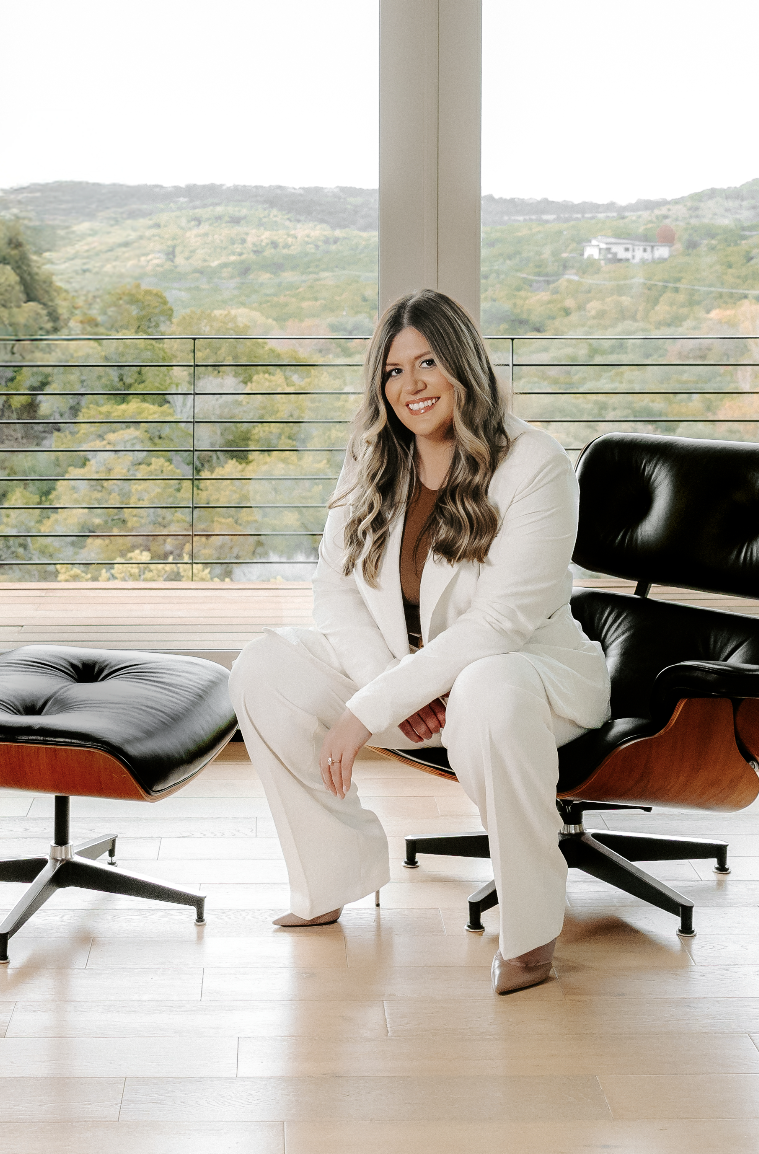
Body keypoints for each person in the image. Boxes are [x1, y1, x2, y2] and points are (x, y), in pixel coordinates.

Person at [228, 289, 611, 995]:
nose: (411, 386)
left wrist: (370, 709)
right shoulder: (373, 457)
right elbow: (334, 590)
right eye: (394, 371)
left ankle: (531, 931)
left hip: (527, 678)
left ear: (462, 364)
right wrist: (387, 687)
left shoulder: (536, 463)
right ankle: (333, 875)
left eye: (427, 362)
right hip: (408, 681)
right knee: (265, 666)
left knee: (487, 685)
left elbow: (499, 625)